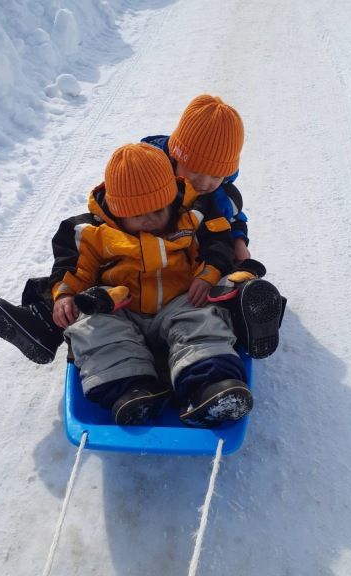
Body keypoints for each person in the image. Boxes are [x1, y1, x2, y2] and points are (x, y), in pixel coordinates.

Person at [0, 95, 285, 364]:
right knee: (78, 273)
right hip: (133, 262)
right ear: (176, 155)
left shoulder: (218, 197)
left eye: (216, 175)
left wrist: (239, 243)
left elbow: (231, 223)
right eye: (194, 171)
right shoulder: (149, 168)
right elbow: (114, 207)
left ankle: (250, 318)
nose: (204, 182)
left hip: (189, 265)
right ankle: (43, 325)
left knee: (230, 278)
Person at [56, 142, 252, 427]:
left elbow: (216, 243)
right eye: (138, 215)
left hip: (180, 301)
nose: (150, 220)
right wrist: (64, 295)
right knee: (91, 327)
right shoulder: (91, 232)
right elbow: (73, 268)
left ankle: (210, 386)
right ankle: (133, 390)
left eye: (159, 211)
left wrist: (207, 273)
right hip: (121, 307)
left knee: (203, 320)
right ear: (117, 211)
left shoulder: (192, 214)